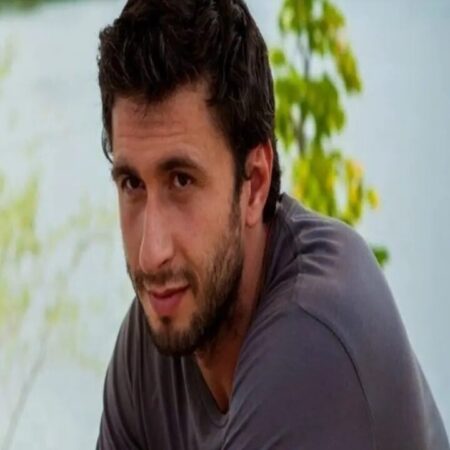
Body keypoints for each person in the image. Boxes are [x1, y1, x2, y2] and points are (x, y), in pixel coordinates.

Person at [95, 0, 449, 449]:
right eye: (132, 184)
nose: (151, 254)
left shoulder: (314, 338)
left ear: (255, 183)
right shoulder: (153, 344)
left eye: (182, 180)